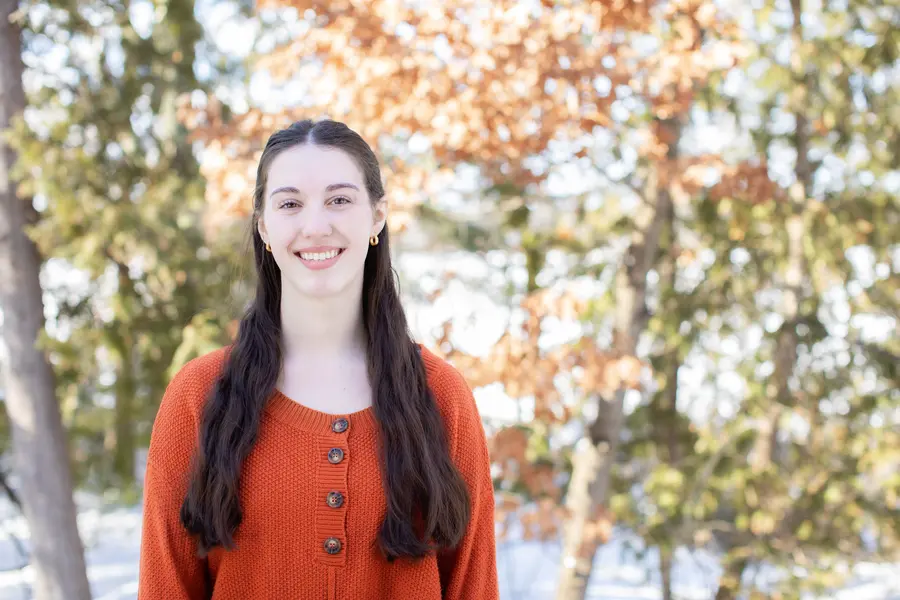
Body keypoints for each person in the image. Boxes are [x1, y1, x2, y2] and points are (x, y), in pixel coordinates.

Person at [137, 119, 499, 599]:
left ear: (377, 217)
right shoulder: (199, 396)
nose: (315, 226)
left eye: (339, 200)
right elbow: (166, 587)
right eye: (290, 204)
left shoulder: (440, 394)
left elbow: (474, 586)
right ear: (264, 226)